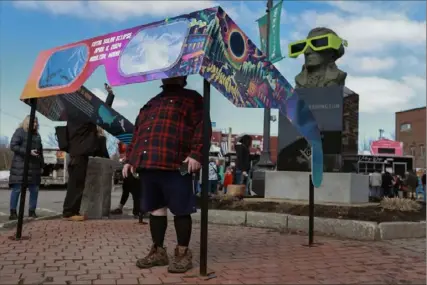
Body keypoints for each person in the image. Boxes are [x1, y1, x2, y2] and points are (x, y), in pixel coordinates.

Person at [122, 76, 211, 273]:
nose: (171, 75)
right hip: (148, 164)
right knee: (155, 209)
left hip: (176, 163)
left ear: (184, 76)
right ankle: (158, 251)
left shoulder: (193, 99)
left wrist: (197, 154)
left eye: (176, 72)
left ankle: (182, 252)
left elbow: (203, 127)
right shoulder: (151, 103)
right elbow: (138, 133)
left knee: (181, 209)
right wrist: (130, 159)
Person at [62, 115, 98, 221]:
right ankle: (69, 212)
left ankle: (72, 211)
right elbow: (95, 123)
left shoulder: (72, 119)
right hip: (80, 155)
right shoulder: (84, 120)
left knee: (74, 184)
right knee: (77, 185)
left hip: (74, 154)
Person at [8, 115, 44, 220]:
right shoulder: (20, 132)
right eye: (33, 122)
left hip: (34, 167)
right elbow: (13, 146)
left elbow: (40, 151)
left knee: (35, 190)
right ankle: (13, 212)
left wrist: (42, 165)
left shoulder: (37, 135)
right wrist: (28, 152)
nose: (35, 124)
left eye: (36, 122)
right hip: (20, 166)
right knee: (17, 190)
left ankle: (32, 211)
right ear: (27, 122)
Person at [110, 142, 145, 220]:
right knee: (135, 191)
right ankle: (137, 211)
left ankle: (125, 208)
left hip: (130, 168)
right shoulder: (134, 142)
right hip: (133, 168)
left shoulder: (129, 143)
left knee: (129, 189)